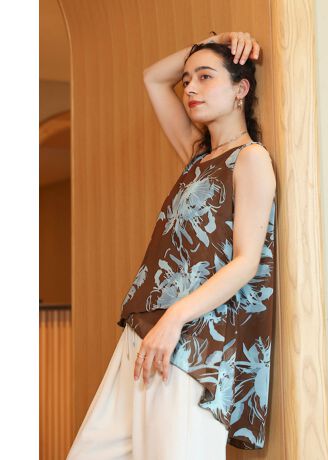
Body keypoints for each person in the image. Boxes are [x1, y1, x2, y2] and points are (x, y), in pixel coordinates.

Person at [66, 31, 276, 459]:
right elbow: (153, 78)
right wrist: (216, 40)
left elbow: (246, 262)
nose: (191, 88)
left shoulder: (251, 158)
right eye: (188, 80)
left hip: (192, 342)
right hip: (145, 330)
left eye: (206, 76)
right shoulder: (197, 157)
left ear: (241, 89)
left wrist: (174, 320)